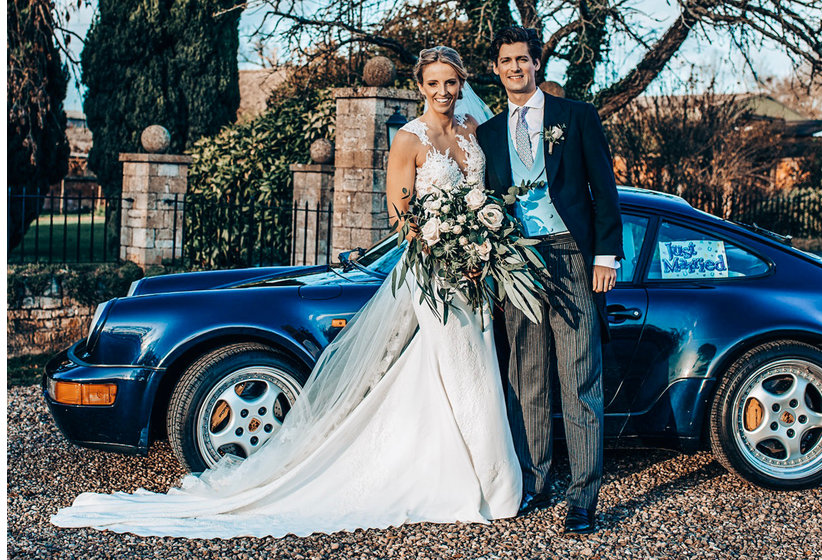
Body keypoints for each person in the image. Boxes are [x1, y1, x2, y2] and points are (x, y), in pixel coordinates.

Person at [50, 46, 523, 539]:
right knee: (444, 368)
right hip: (433, 274)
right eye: (434, 83)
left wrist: (476, 248)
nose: (443, 92)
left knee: (476, 367)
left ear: (462, 83)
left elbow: (483, 199)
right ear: (419, 85)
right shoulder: (409, 139)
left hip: (473, 278)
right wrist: (440, 245)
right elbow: (401, 217)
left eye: (451, 83)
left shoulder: (473, 134)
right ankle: (448, 479)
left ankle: (489, 480)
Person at [475, 27, 624, 535]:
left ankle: (583, 497)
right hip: (517, 260)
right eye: (506, 60)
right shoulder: (489, 133)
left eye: (523, 59)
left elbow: (605, 192)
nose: (515, 67)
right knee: (527, 376)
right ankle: (535, 484)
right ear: (496, 69)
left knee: (579, 377)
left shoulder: (576, 116)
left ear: (537, 64)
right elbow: (487, 202)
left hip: (570, 256)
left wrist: (606, 258)